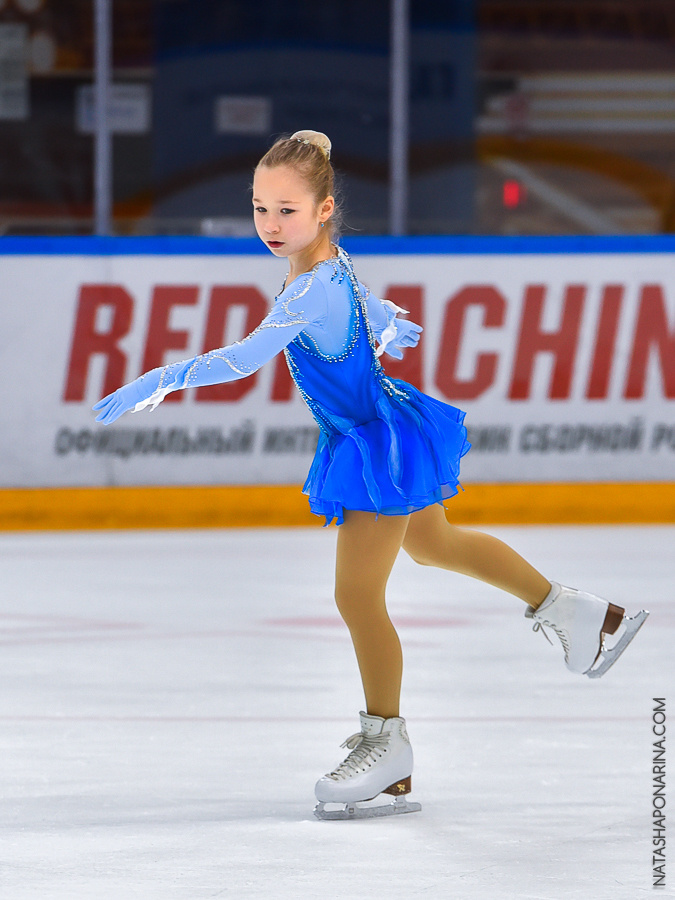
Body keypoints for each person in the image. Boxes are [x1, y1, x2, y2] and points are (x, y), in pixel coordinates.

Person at [93, 130, 649, 820]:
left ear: (323, 210)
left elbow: (242, 360)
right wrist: (382, 321)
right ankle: (588, 616)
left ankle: (387, 751)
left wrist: (163, 377)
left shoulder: (306, 288)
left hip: (374, 446)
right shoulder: (326, 264)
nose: (270, 224)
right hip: (384, 427)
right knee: (436, 545)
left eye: (287, 210)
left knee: (357, 596)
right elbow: (353, 301)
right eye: (261, 208)